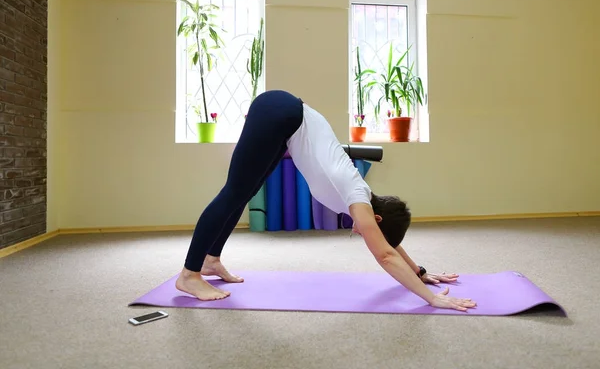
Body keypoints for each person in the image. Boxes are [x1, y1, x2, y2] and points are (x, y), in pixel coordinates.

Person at [176, 90, 476, 312]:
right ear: (377, 219)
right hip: (280, 113)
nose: (363, 234)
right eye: (369, 231)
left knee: (244, 191)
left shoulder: (369, 204)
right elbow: (385, 254)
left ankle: (210, 261)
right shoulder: (357, 197)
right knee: (232, 192)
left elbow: (388, 244)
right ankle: (190, 274)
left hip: (288, 122)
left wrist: (420, 272)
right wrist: (431, 298)